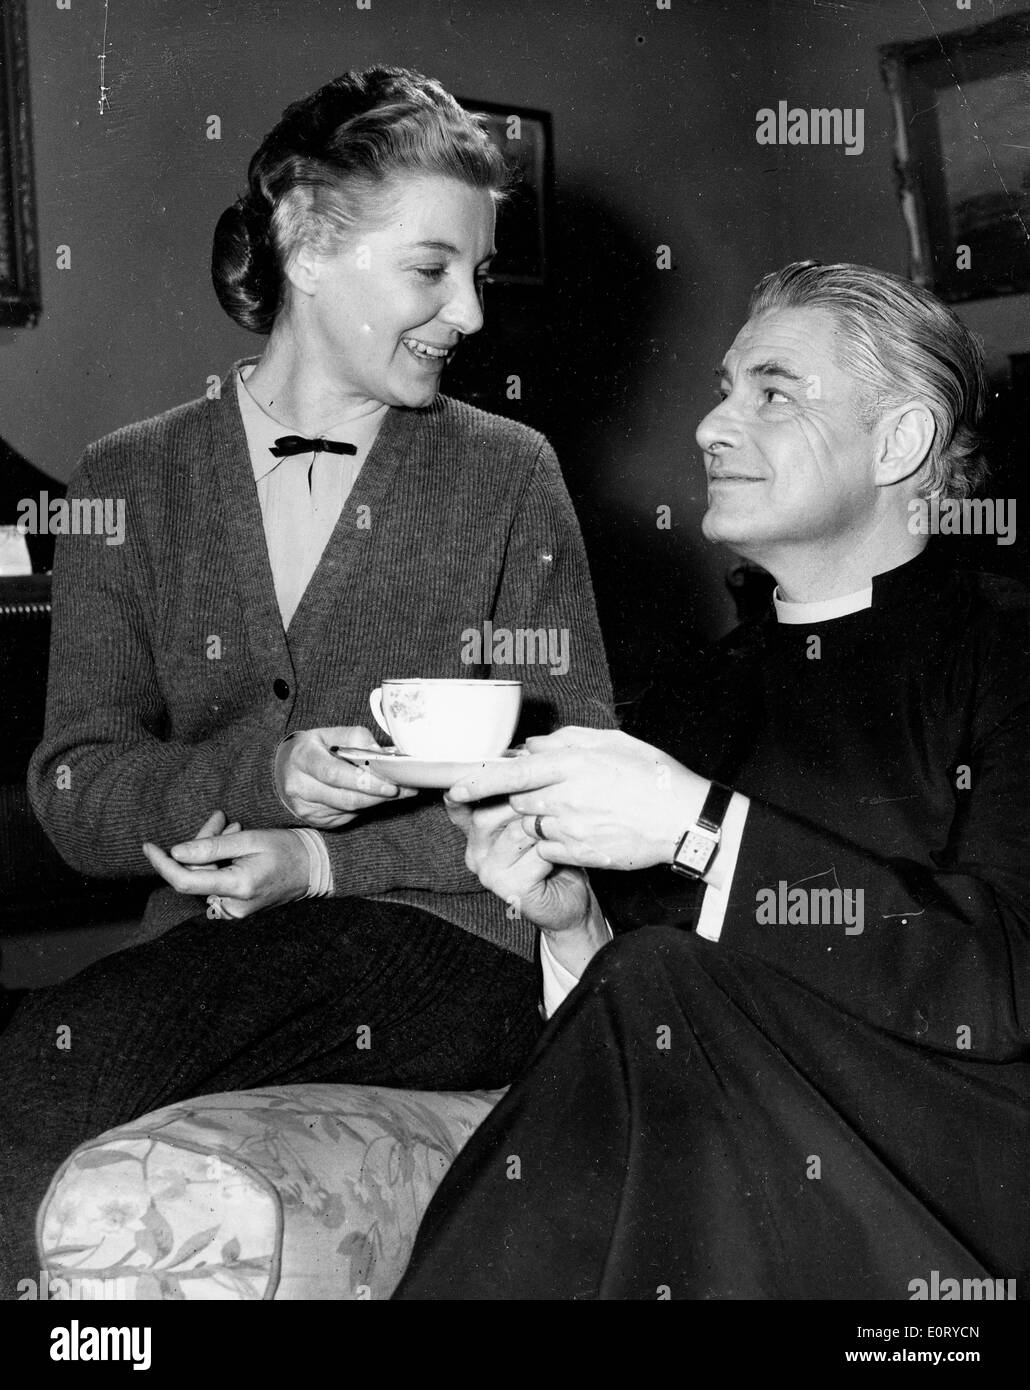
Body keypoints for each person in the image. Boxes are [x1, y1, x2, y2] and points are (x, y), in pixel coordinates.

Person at [0, 66, 614, 1297]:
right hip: (221, 953)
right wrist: (259, 780)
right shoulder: (131, 477)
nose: (472, 315)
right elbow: (76, 785)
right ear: (306, 242)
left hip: (458, 946)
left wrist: (330, 861)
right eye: (432, 269)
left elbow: (582, 776)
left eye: (479, 274)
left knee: (56, 1066)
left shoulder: (507, 472)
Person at [392, 261, 1030, 1301]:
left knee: (656, 979)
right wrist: (569, 926)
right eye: (724, 388)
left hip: (968, 1167)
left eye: (770, 392)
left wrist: (700, 830)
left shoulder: (1007, 652)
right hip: (753, 1172)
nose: (709, 424)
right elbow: (653, 1044)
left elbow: (1008, 977)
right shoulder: (697, 694)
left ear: (899, 441)